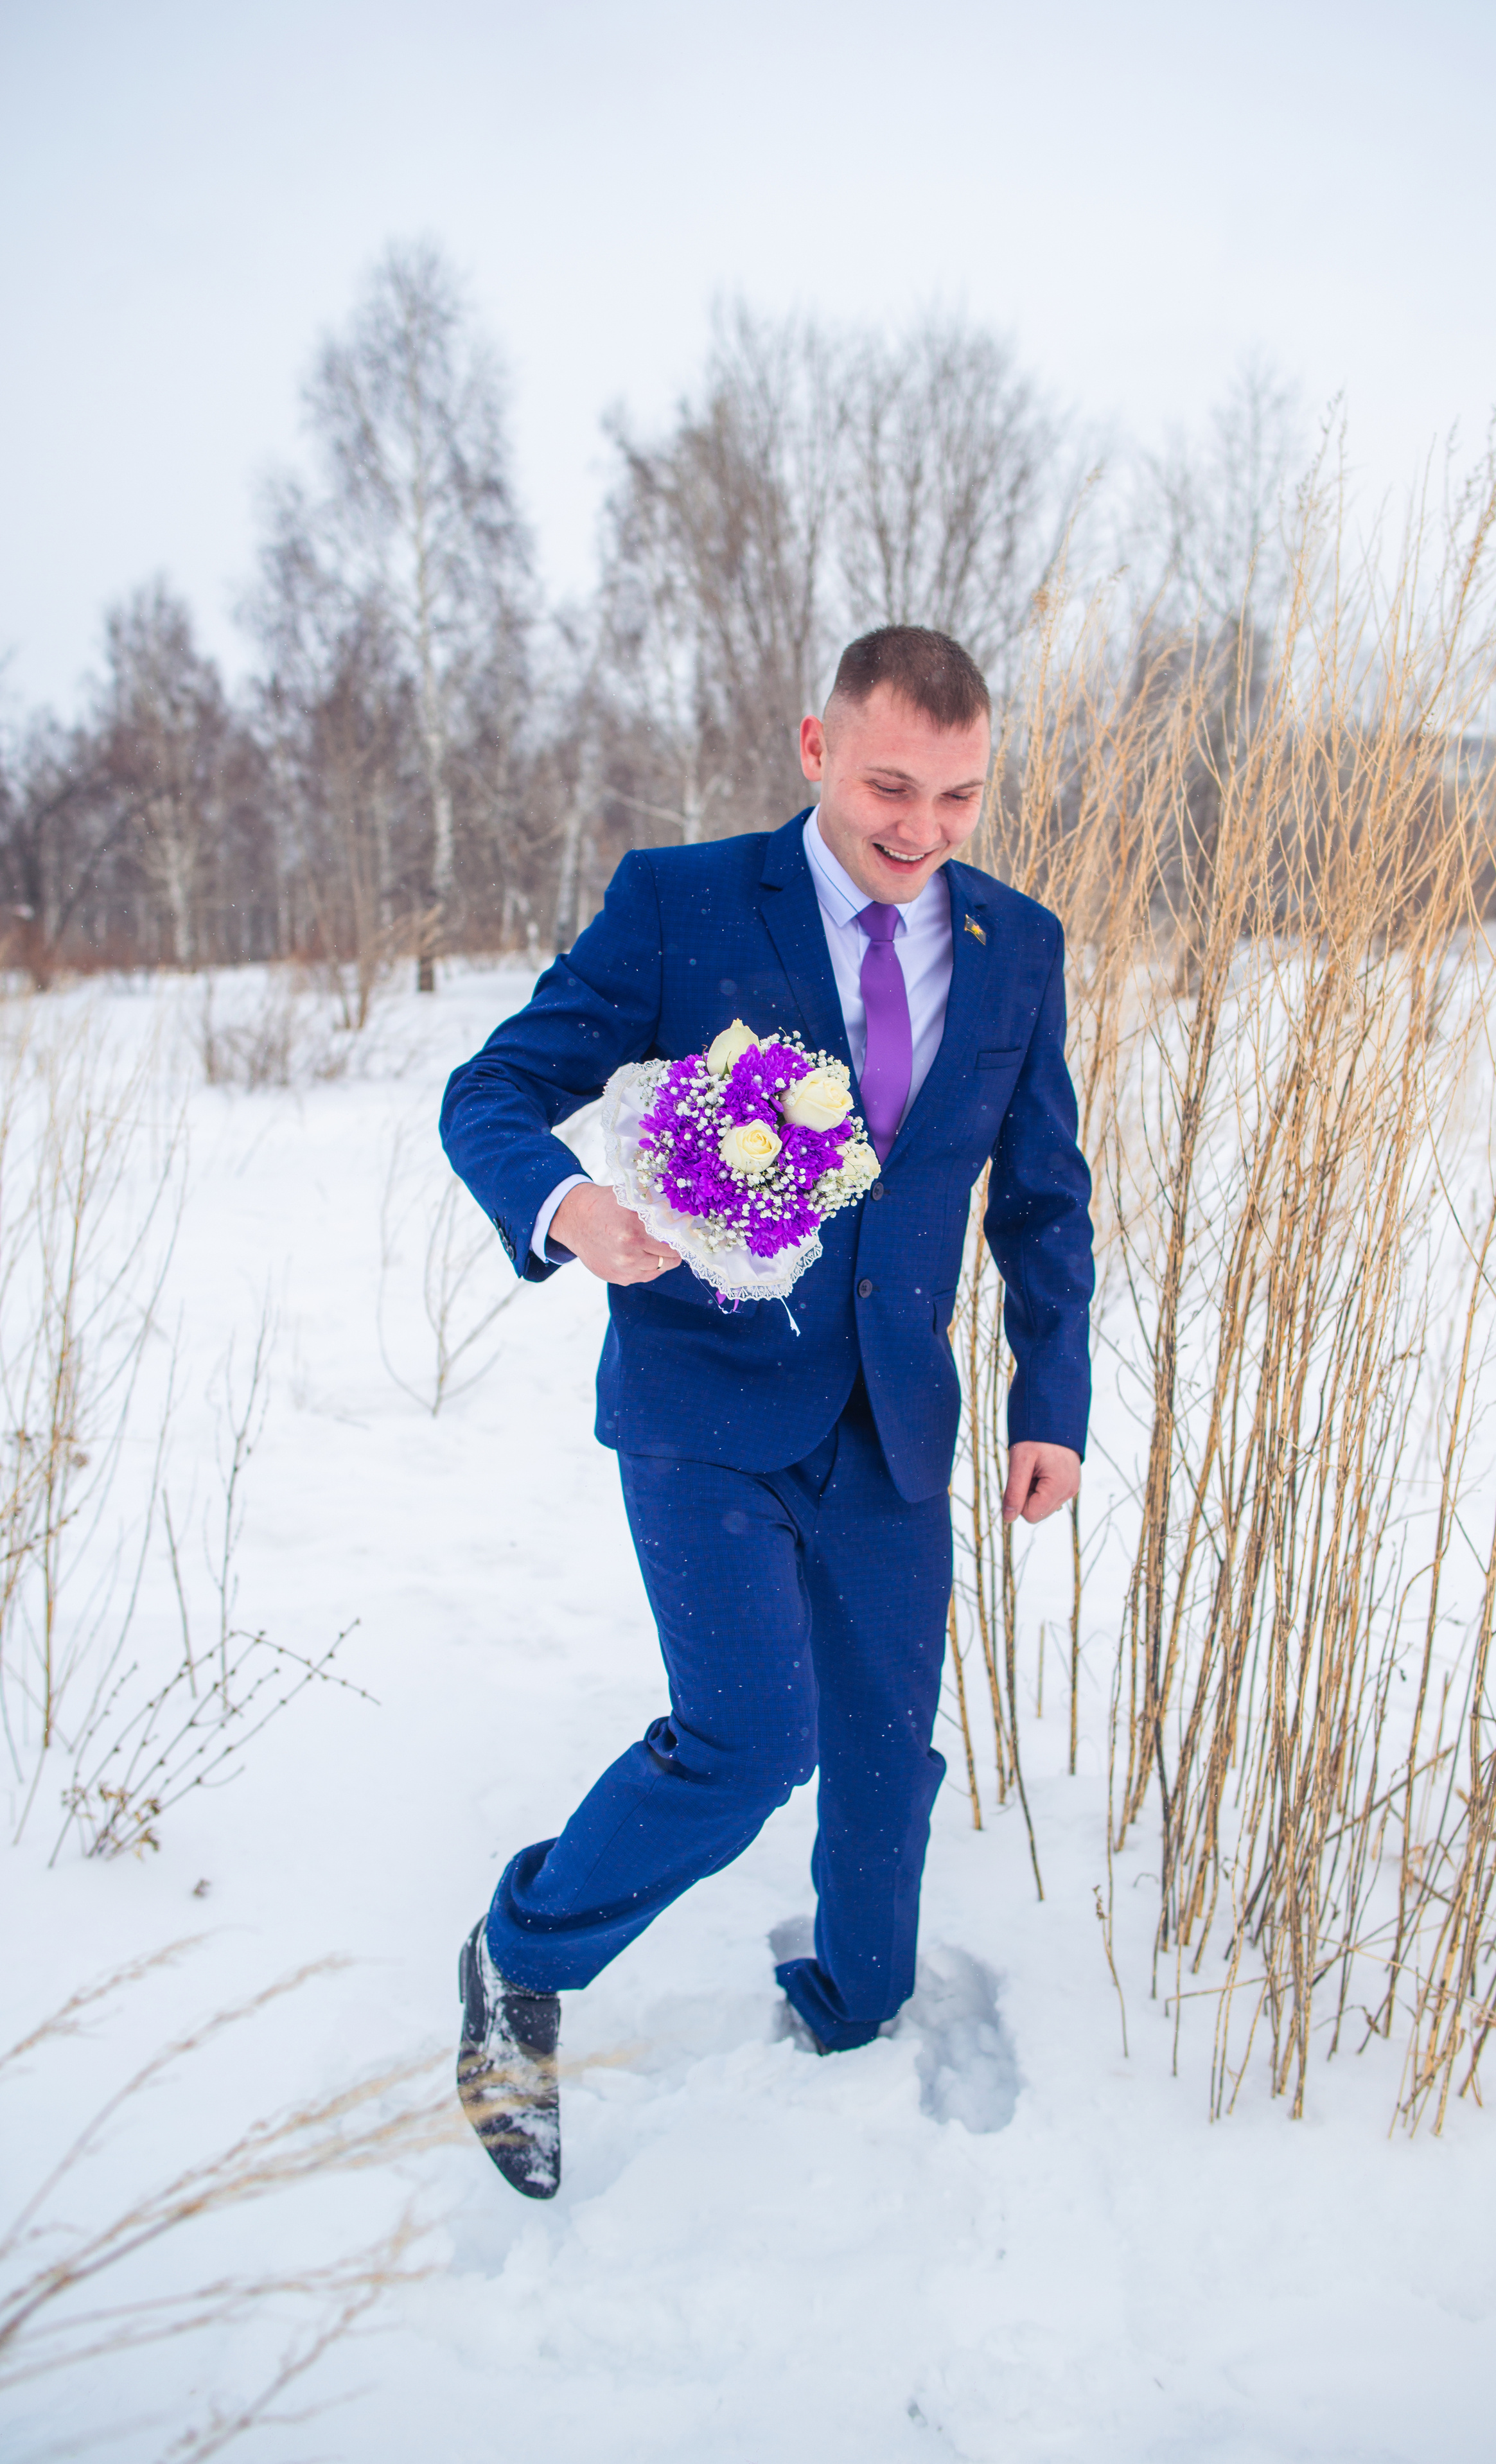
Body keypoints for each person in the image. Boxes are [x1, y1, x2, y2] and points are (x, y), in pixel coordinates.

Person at [439, 625, 1093, 2197]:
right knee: (750, 1740)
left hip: (893, 1419)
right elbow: (492, 1091)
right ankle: (519, 1957)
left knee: (880, 1753)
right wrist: (569, 1209)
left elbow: (1042, 1199)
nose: (921, 826)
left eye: (958, 794)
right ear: (815, 747)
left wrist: (1050, 1397)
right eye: (888, 784)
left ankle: (853, 2009)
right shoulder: (679, 902)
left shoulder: (1016, 945)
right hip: (702, 1403)